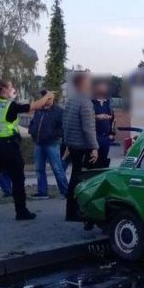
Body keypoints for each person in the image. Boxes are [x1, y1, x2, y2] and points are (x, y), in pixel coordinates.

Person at [0, 81, 53, 221]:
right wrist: (48, 95)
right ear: (3, 91)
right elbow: (34, 106)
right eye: (10, 87)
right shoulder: (9, 105)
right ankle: (21, 211)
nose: (12, 89)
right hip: (7, 146)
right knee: (18, 179)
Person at [64, 72, 99, 222]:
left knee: (75, 177)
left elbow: (65, 123)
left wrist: (67, 142)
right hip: (83, 146)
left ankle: (71, 211)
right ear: (83, 84)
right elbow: (88, 128)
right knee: (84, 180)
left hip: (73, 145)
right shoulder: (85, 102)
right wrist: (94, 147)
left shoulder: (71, 101)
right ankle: (79, 211)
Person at [28, 90, 69, 199]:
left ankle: (65, 191)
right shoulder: (38, 110)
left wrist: (52, 134)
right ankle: (42, 191)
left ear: (52, 98)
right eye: (43, 97)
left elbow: (63, 128)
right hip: (38, 143)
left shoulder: (59, 111)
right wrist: (31, 130)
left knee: (57, 168)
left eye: (47, 98)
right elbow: (33, 122)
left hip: (52, 143)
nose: (45, 100)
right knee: (39, 168)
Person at [92, 82, 116, 168]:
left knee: (103, 162)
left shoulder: (109, 103)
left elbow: (113, 119)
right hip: (94, 137)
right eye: (100, 88)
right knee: (92, 161)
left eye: (104, 89)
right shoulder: (91, 102)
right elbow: (86, 117)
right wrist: (97, 117)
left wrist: (112, 134)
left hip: (106, 137)